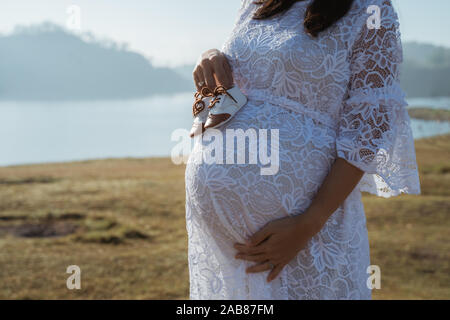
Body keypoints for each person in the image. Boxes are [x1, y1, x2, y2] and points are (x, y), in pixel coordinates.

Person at [185, 0, 421, 300]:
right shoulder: (256, 2)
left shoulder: (372, 10)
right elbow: (247, 76)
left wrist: (308, 223)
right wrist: (210, 57)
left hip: (303, 237)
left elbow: (370, 125)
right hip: (224, 251)